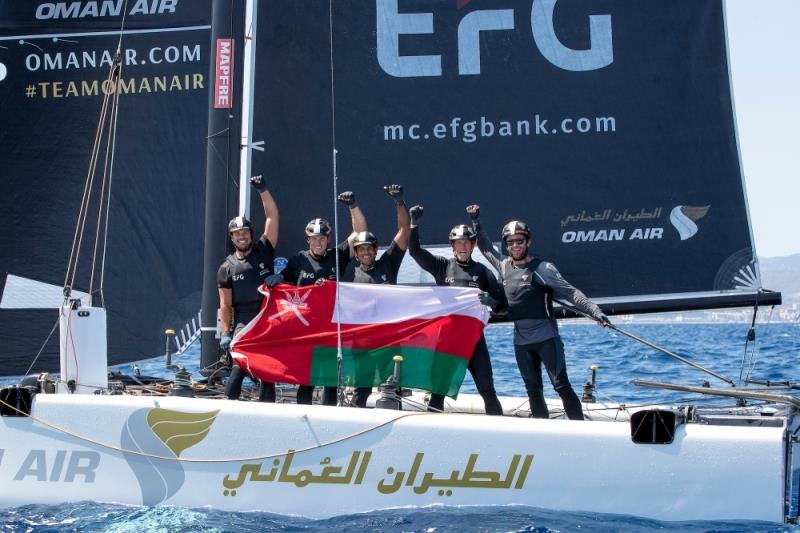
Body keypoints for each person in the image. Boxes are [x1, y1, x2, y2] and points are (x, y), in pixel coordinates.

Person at [467, 204, 610, 421]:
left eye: (520, 241)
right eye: (511, 242)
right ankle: (542, 431)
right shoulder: (505, 266)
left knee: (561, 386)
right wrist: (476, 221)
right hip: (521, 342)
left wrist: (595, 311)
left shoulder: (543, 269)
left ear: (528, 242)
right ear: (506, 245)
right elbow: (485, 247)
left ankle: (580, 429)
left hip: (546, 339)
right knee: (533, 390)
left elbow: (572, 293)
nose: (515, 245)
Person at [406, 204, 504, 415]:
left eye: (466, 243)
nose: (462, 247)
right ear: (452, 246)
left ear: (473, 245)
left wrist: (491, 301)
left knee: (487, 389)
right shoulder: (442, 266)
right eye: (458, 243)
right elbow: (414, 251)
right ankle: (431, 433)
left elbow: (502, 303)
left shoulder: (483, 272)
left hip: (474, 342)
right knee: (438, 392)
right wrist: (414, 223)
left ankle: (500, 435)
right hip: (448, 341)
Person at [282, 191, 367, 405]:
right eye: (313, 239)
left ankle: (330, 416)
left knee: (330, 378)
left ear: (328, 239)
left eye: (321, 238)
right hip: (306, 328)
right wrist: (274, 281)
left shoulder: (336, 256)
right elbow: (284, 290)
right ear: (307, 240)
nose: (318, 243)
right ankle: (303, 415)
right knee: (306, 378)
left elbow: (360, 232)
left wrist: (353, 206)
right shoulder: (298, 260)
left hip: (330, 326)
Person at [342, 184, 410, 407]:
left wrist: (399, 202)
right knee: (361, 392)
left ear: (375, 249)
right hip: (362, 344)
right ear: (356, 252)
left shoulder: (388, 264)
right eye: (361, 249)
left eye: (369, 248)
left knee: (393, 391)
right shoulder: (348, 270)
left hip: (390, 342)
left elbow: (404, 230)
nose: (365, 252)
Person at [217, 175, 282, 401]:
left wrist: (263, 190)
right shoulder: (226, 268)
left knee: (268, 371)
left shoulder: (263, 250)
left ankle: (268, 415)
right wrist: (225, 333)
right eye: (237, 234)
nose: (242, 236)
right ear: (232, 237)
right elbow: (225, 304)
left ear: (251, 234)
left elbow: (272, 217)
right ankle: (229, 408)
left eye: (245, 232)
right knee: (239, 366)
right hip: (244, 322)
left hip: (268, 319)